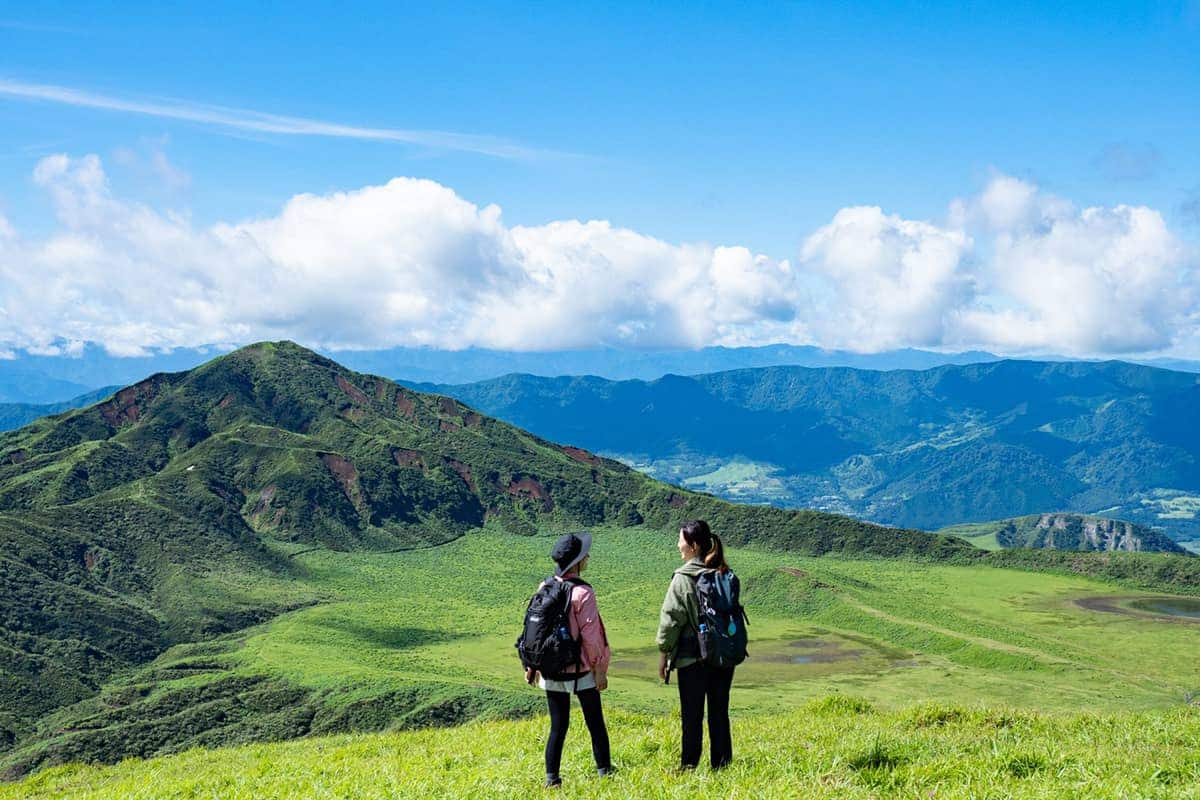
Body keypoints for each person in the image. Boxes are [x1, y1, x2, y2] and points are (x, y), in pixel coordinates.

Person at [524, 531, 613, 788]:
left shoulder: (544, 587)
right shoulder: (583, 593)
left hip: (550, 668)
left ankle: (552, 779)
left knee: (557, 727)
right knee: (595, 722)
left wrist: (531, 665)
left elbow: (533, 631)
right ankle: (605, 774)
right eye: (585, 555)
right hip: (580, 670)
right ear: (577, 561)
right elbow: (592, 637)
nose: (588, 558)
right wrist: (600, 669)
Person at [656, 519, 735, 771]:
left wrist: (663, 654)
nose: (677, 544)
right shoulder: (722, 574)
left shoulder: (682, 578)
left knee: (692, 715)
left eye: (681, 540)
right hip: (722, 656)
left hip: (693, 658)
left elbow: (670, 620)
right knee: (719, 713)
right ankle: (722, 766)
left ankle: (689, 765)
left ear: (693, 545)